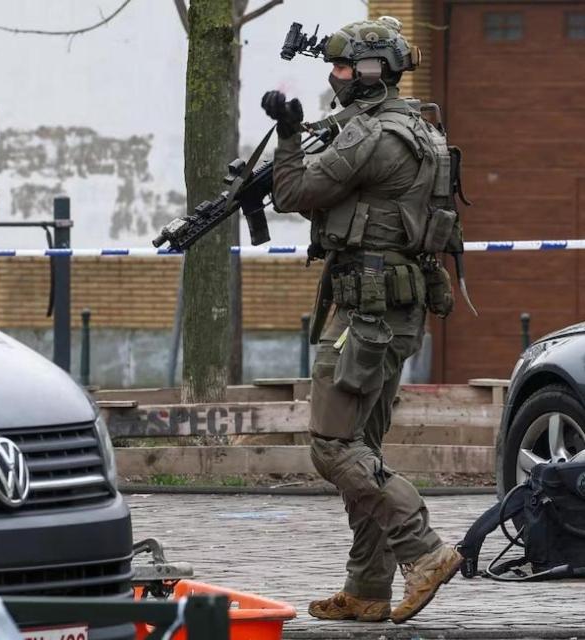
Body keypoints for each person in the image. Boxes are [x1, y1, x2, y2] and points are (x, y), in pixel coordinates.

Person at [261, 17, 463, 624]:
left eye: (345, 67)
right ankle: (368, 586)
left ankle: (423, 550)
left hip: (364, 311)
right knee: (363, 447)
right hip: (396, 312)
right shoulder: (422, 129)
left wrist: (289, 133)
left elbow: (293, 192)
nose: (335, 75)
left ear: (373, 72)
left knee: (331, 447)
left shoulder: (372, 136)